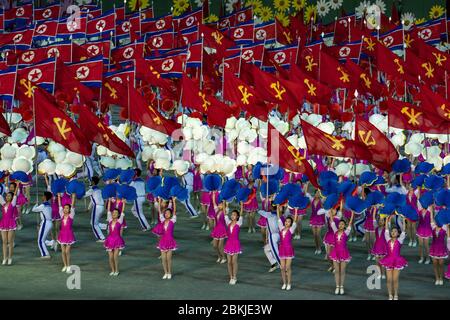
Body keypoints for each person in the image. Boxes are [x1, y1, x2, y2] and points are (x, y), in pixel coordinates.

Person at [379, 215, 408, 300]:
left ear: (398, 233)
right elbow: (386, 230)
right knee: (389, 280)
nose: (393, 232)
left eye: (395, 231)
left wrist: (403, 220)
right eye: (392, 231)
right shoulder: (388, 239)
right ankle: (390, 295)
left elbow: (403, 231)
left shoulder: (400, 240)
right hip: (388, 260)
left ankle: (395, 294)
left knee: (395, 279)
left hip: (397, 261)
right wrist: (387, 218)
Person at [329, 209, 354, 295]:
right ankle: (337, 286)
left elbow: (350, 224)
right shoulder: (335, 231)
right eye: (340, 224)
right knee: (336, 271)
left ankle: (342, 286)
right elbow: (332, 222)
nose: (340, 225)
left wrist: (352, 214)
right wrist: (330, 212)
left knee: (342, 271)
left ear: (344, 226)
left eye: (342, 224)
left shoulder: (346, 233)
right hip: (335, 253)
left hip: (343, 253)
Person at [277, 206, 298, 290]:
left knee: (287, 267)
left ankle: (289, 283)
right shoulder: (281, 228)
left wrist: (296, 211)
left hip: (288, 249)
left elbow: (295, 221)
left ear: (291, 223)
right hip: (282, 249)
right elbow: (279, 219)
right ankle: (284, 283)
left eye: (289, 221)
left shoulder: (291, 230)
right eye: (286, 221)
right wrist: (278, 208)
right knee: (282, 268)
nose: (286, 222)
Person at [258, 200, 281, 273]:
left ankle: (281, 265)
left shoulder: (270, 214)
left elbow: (261, 212)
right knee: (266, 249)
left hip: (274, 236)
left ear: (272, 207)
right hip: (275, 235)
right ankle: (274, 263)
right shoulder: (274, 214)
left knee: (275, 251)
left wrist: (259, 209)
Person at [223, 202, 243, 285]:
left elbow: (242, 213)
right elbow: (225, 214)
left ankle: (234, 276)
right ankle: (230, 276)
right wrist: (224, 202)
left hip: (235, 244)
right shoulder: (228, 222)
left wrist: (242, 205)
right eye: (232, 215)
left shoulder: (239, 223)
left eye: (234, 215)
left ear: (237, 216)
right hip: (228, 243)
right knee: (229, 262)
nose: (232, 216)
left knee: (234, 261)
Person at [158, 196, 177, 280]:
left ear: (171, 215)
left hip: (170, 241)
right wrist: (159, 201)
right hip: (163, 241)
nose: (166, 214)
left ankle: (169, 272)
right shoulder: (162, 220)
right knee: (163, 259)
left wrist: (173, 201)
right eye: (165, 213)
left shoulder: (173, 220)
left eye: (168, 213)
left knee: (168, 259)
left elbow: (175, 211)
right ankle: (165, 272)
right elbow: (159, 211)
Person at [104, 202, 125, 276]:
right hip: (110, 240)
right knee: (110, 257)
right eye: (113, 213)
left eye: (116, 213)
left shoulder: (120, 221)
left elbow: (122, 212)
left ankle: (117, 270)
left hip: (117, 240)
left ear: (118, 215)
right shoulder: (110, 220)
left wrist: (124, 203)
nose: (114, 214)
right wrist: (109, 201)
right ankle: (112, 270)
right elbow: (108, 211)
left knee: (115, 257)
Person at [0, 185, 19, 265]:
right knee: (4, 241)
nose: (7, 197)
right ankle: (5, 258)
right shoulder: (3, 203)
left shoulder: (13, 203)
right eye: (6, 196)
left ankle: (10, 258)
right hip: (3, 223)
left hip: (11, 223)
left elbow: (15, 194)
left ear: (11, 197)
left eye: (9, 196)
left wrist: (17, 184)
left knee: (10, 241)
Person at [57, 193, 76, 273]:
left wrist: (73, 198)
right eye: (64, 208)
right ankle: (64, 265)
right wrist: (58, 196)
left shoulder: (71, 216)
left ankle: (68, 265)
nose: (65, 209)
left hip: (69, 235)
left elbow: (73, 206)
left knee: (67, 251)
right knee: (63, 251)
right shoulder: (61, 215)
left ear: (69, 210)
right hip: (62, 234)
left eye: (67, 208)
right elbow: (59, 206)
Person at [32, 191, 53, 259]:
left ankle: (45, 254)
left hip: (46, 223)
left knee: (40, 240)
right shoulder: (49, 205)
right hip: (48, 223)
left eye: (43, 195)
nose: (42, 196)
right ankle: (52, 243)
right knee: (43, 239)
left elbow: (33, 210)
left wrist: (36, 204)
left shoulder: (43, 205)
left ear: (45, 197)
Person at [85, 176, 105, 241]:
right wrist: (88, 208)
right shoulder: (99, 189)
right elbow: (92, 200)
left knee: (94, 224)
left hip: (97, 208)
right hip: (101, 207)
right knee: (93, 222)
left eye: (91, 181)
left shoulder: (92, 190)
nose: (90, 182)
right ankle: (106, 226)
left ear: (93, 182)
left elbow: (83, 195)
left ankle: (102, 238)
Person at [429, 212, 448, 285]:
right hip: (434, 248)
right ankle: (437, 278)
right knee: (435, 264)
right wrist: (430, 208)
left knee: (441, 264)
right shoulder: (433, 226)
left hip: (441, 248)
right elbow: (431, 219)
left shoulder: (444, 227)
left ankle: (441, 277)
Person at [211, 192, 227, 264]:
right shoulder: (217, 211)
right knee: (215, 246)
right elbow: (214, 203)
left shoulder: (225, 212)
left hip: (222, 230)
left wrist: (224, 202)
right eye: (219, 205)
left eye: (220, 205)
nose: (219, 206)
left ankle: (223, 257)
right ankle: (219, 256)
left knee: (220, 246)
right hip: (216, 230)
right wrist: (214, 195)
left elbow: (224, 209)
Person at [309, 190, 325, 254]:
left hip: (319, 219)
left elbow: (326, 197)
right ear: (314, 194)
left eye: (319, 193)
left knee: (318, 234)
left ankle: (319, 248)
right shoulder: (312, 199)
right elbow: (306, 194)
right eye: (316, 193)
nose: (317, 194)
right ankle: (317, 247)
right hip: (313, 218)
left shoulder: (322, 200)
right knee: (315, 235)